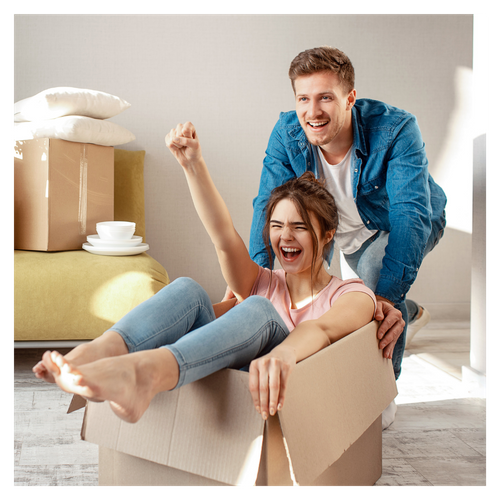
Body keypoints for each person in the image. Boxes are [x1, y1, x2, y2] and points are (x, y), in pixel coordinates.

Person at [33, 122, 377, 424]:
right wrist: (192, 165)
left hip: (274, 397)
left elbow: (321, 328)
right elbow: (223, 236)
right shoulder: (261, 281)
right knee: (188, 290)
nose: (284, 236)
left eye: (298, 227)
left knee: (258, 309)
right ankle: (99, 352)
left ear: (328, 234)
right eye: (276, 225)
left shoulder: (352, 295)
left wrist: (283, 353)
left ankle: (146, 375)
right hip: (213, 373)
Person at [249, 47, 447, 382]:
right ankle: (409, 313)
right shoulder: (288, 133)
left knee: (372, 286)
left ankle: (380, 391)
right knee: (315, 292)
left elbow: (409, 215)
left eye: (325, 98)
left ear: (349, 98)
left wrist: (383, 300)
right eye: (303, 99)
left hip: (396, 223)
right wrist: (256, 278)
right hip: (334, 230)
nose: (313, 112)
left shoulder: (396, 129)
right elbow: (268, 205)